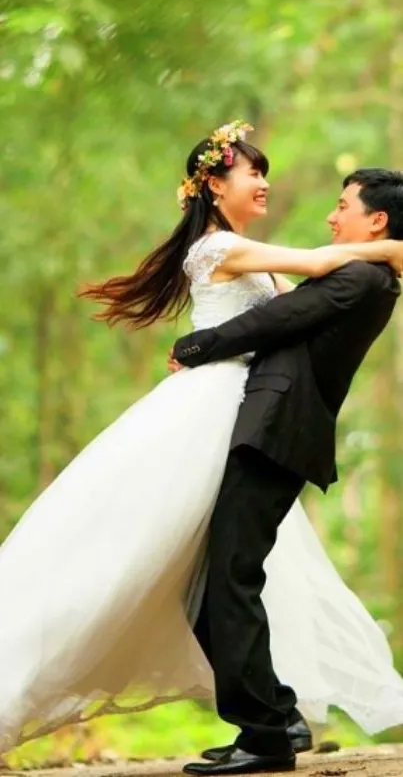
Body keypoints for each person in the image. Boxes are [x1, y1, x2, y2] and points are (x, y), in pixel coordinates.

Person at [0, 122, 402, 759]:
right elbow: (319, 267)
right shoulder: (216, 249)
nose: (264, 181)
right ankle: (267, 717)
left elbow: (296, 311)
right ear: (215, 186)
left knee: (223, 572)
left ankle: (272, 717)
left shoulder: (248, 251)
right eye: (252, 172)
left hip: (241, 414)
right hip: (205, 415)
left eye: (265, 171)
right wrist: (390, 250)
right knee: (160, 561)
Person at [171, 161, 403, 775]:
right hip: (265, 429)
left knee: (230, 577)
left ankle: (267, 734)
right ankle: (276, 717)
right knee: (218, 578)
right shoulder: (367, 272)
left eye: (342, 207)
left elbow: (274, 320)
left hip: (276, 433)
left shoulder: (364, 278)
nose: (332, 216)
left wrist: (194, 348)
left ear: (375, 220)